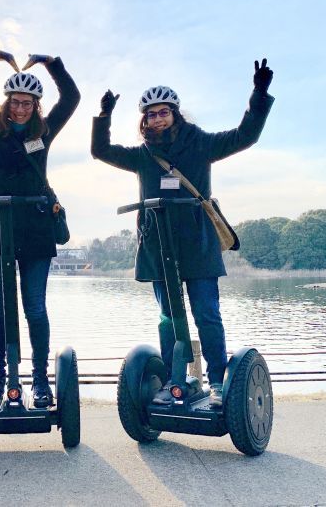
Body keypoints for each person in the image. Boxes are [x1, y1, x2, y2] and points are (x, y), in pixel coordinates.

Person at [91, 59, 274, 407]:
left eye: (163, 112)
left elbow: (245, 135)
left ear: (175, 114)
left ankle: (218, 381)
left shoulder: (200, 143)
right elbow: (100, 151)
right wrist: (104, 116)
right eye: (151, 114)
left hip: (197, 244)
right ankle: (176, 379)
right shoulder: (143, 155)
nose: (157, 119)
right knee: (168, 318)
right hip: (159, 246)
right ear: (144, 121)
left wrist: (258, 94)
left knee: (206, 313)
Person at [0, 49, 80, 408]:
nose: (21, 108)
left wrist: (52, 63)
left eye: (28, 103)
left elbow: (72, 97)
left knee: (35, 308)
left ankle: (40, 381)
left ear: (36, 105)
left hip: (34, 227)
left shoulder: (44, 131)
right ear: (7, 102)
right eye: (15, 101)